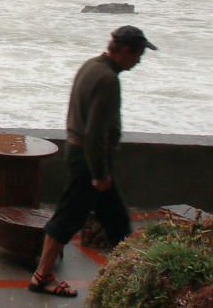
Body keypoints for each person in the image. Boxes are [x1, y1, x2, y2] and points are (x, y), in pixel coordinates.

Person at [28, 25, 157, 298]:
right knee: (69, 218)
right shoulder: (108, 79)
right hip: (90, 161)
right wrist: (99, 174)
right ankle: (42, 276)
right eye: (138, 54)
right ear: (124, 51)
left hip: (80, 154)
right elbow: (95, 132)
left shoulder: (91, 66)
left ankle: (131, 280)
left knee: (116, 222)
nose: (139, 61)